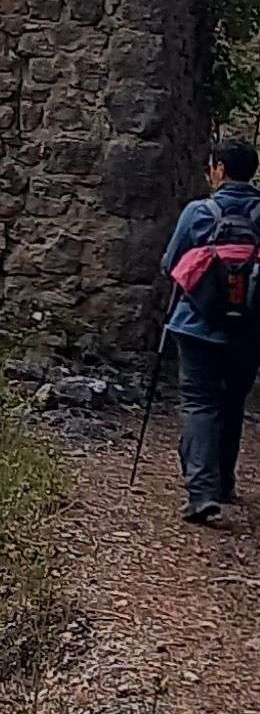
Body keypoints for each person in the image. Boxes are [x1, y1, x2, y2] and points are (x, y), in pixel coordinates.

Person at [160, 130, 260, 523]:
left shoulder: (198, 212)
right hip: (251, 329)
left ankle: (201, 494)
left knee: (199, 402)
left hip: (196, 325)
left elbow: (170, 264)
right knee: (233, 401)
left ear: (219, 169)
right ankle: (223, 483)